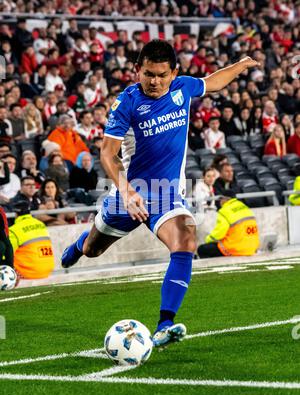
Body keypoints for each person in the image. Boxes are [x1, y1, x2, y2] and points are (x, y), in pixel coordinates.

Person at [61, 39, 259, 347]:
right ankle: (79, 246)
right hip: (129, 195)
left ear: (174, 72)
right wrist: (126, 193)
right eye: (149, 74)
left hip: (167, 196)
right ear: (137, 70)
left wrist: (240, 65)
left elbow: (213, 82)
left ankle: (165, 323)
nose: (155, 81)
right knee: (93, 250)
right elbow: (107, 153)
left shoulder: (184, 88)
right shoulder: (126, 103)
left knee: (186, 240)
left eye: (162, 75)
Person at [9, 201, 55, 279]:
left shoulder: (13, 230)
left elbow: (7, 254)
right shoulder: (41, 224)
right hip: (48, 270)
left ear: (16, 214)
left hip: (27, 273)